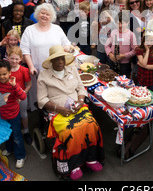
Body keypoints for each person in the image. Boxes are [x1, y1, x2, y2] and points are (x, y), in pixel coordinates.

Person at [36, 45, 104, 180]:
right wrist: (59, 109)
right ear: (51, 62)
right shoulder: (44, 76)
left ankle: (91, 158)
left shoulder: (72, 69)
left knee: (91, 125)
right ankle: (74, 165)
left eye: (62, 59)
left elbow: (80, 88)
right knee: (70, 133)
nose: (60, 62)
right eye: (57, 60)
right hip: (57, 111)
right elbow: (41, 100)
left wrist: (80, 100)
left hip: (77, 107)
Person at [20, 3, 71, 110]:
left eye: (47, 14)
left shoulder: (57, 29)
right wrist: (31, 67)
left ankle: (56, 110)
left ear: (51, 17)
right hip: (38, 70)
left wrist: (67, 47)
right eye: (42, 13)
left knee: (55, 92)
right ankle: (40, 115)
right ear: (37, 14)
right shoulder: (29, 30)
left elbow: (66, 43)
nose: (44, 16)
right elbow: (25, 50)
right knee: (40, 95)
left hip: (56, 68)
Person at [0, 60, 27, 168]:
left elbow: (23, 96)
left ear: (9, 73)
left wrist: (15, 85)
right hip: (2, 115)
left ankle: (21, 156)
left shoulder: (12, 84)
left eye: (4, 74)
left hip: (13, 116)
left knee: (17, 136)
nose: (2, 77)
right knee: (7, 134)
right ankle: (9, 149)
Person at [7, 46, 33, 144]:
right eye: (12, 58)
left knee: (23, 113)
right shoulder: (6, 69)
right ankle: (12, 132)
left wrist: (22, 94)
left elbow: (29, 84)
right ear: (8, 57)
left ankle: (26, 131)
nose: (14, 61)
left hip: (21, 96)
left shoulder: (23, 70)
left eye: (16, 59)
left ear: (20, 59)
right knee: (10, 115)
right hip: (9, 96)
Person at [105, 12, 138, 77]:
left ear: (127, 22)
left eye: (122, 23)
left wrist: (124, 55)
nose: (120, 26)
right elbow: (107, 45)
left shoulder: (131, 34)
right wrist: (110, 54)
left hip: (124, 64)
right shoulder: (113, 32)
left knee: (123, 80)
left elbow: (135, 50)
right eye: (118, 23)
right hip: (112, 62)